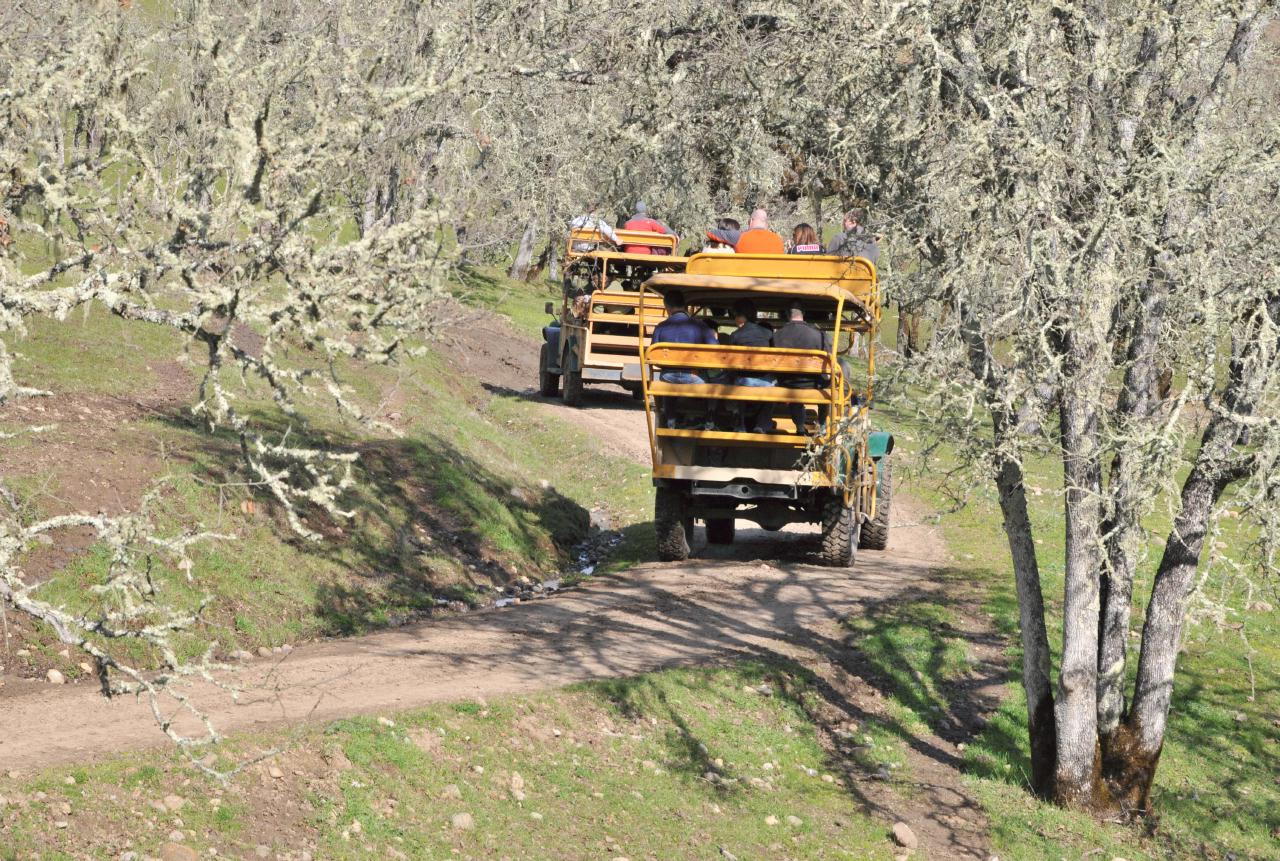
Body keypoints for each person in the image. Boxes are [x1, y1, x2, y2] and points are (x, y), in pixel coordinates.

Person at [650, 290, 717, 428]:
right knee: (714, 385)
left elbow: (653, 356)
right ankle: (708, 420)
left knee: (667, 384)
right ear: (684, 305)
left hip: (668, 376)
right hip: (693, 376)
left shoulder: (661, 327)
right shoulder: (700, 326)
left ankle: (671, 421)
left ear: (667, 307)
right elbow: (714, 350)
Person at [771, 303, 830, 434]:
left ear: (787, 314)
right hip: (814, 384)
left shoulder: (777, 336)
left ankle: (799, 426)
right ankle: (822, 424)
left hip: (788, 383)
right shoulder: (819, 335)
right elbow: (829, 361)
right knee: (828, 388)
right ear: (803, 314)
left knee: (793, 385)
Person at [725, 299, 776, 433]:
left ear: (739, 316)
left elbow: (730, 364)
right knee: (774, 387)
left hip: (743, 382)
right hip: (765, 382)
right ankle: (762, 424)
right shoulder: (768, 334)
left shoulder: (735, 336)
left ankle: (740, 424)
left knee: (736, 382)